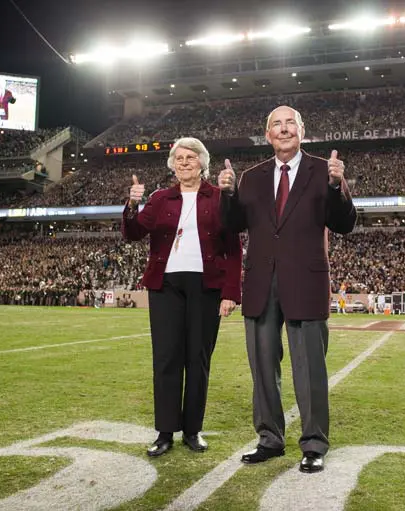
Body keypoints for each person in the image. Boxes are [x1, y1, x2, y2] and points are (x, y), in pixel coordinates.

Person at [219, 105, 357, 473]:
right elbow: (232, 226)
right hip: (261, 283)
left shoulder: (322, 172)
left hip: (306, 281)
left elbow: (345, 224)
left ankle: (314, 444)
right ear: (267, 135)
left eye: (289, 123)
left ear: (302, 130)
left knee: (309, 367)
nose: (283, 130)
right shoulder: (250, 177)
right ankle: (270, 438)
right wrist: (228, 195)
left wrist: (336, 185)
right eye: (276, 125)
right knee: (263, 367)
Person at [122, 137, 242, 457]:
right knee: (166, 360)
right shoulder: (161, 198)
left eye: (190, 157)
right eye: (179, 158)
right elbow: (134, 232)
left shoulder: (218, 198)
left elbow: (233, 248)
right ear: (172, 164)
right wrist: (133, 205)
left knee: (198, 360)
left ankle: (192, 430)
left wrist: (230, 293)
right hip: (166, 287)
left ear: (202, 163)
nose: (184, 162)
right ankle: (164, 433)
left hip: (206, 287)